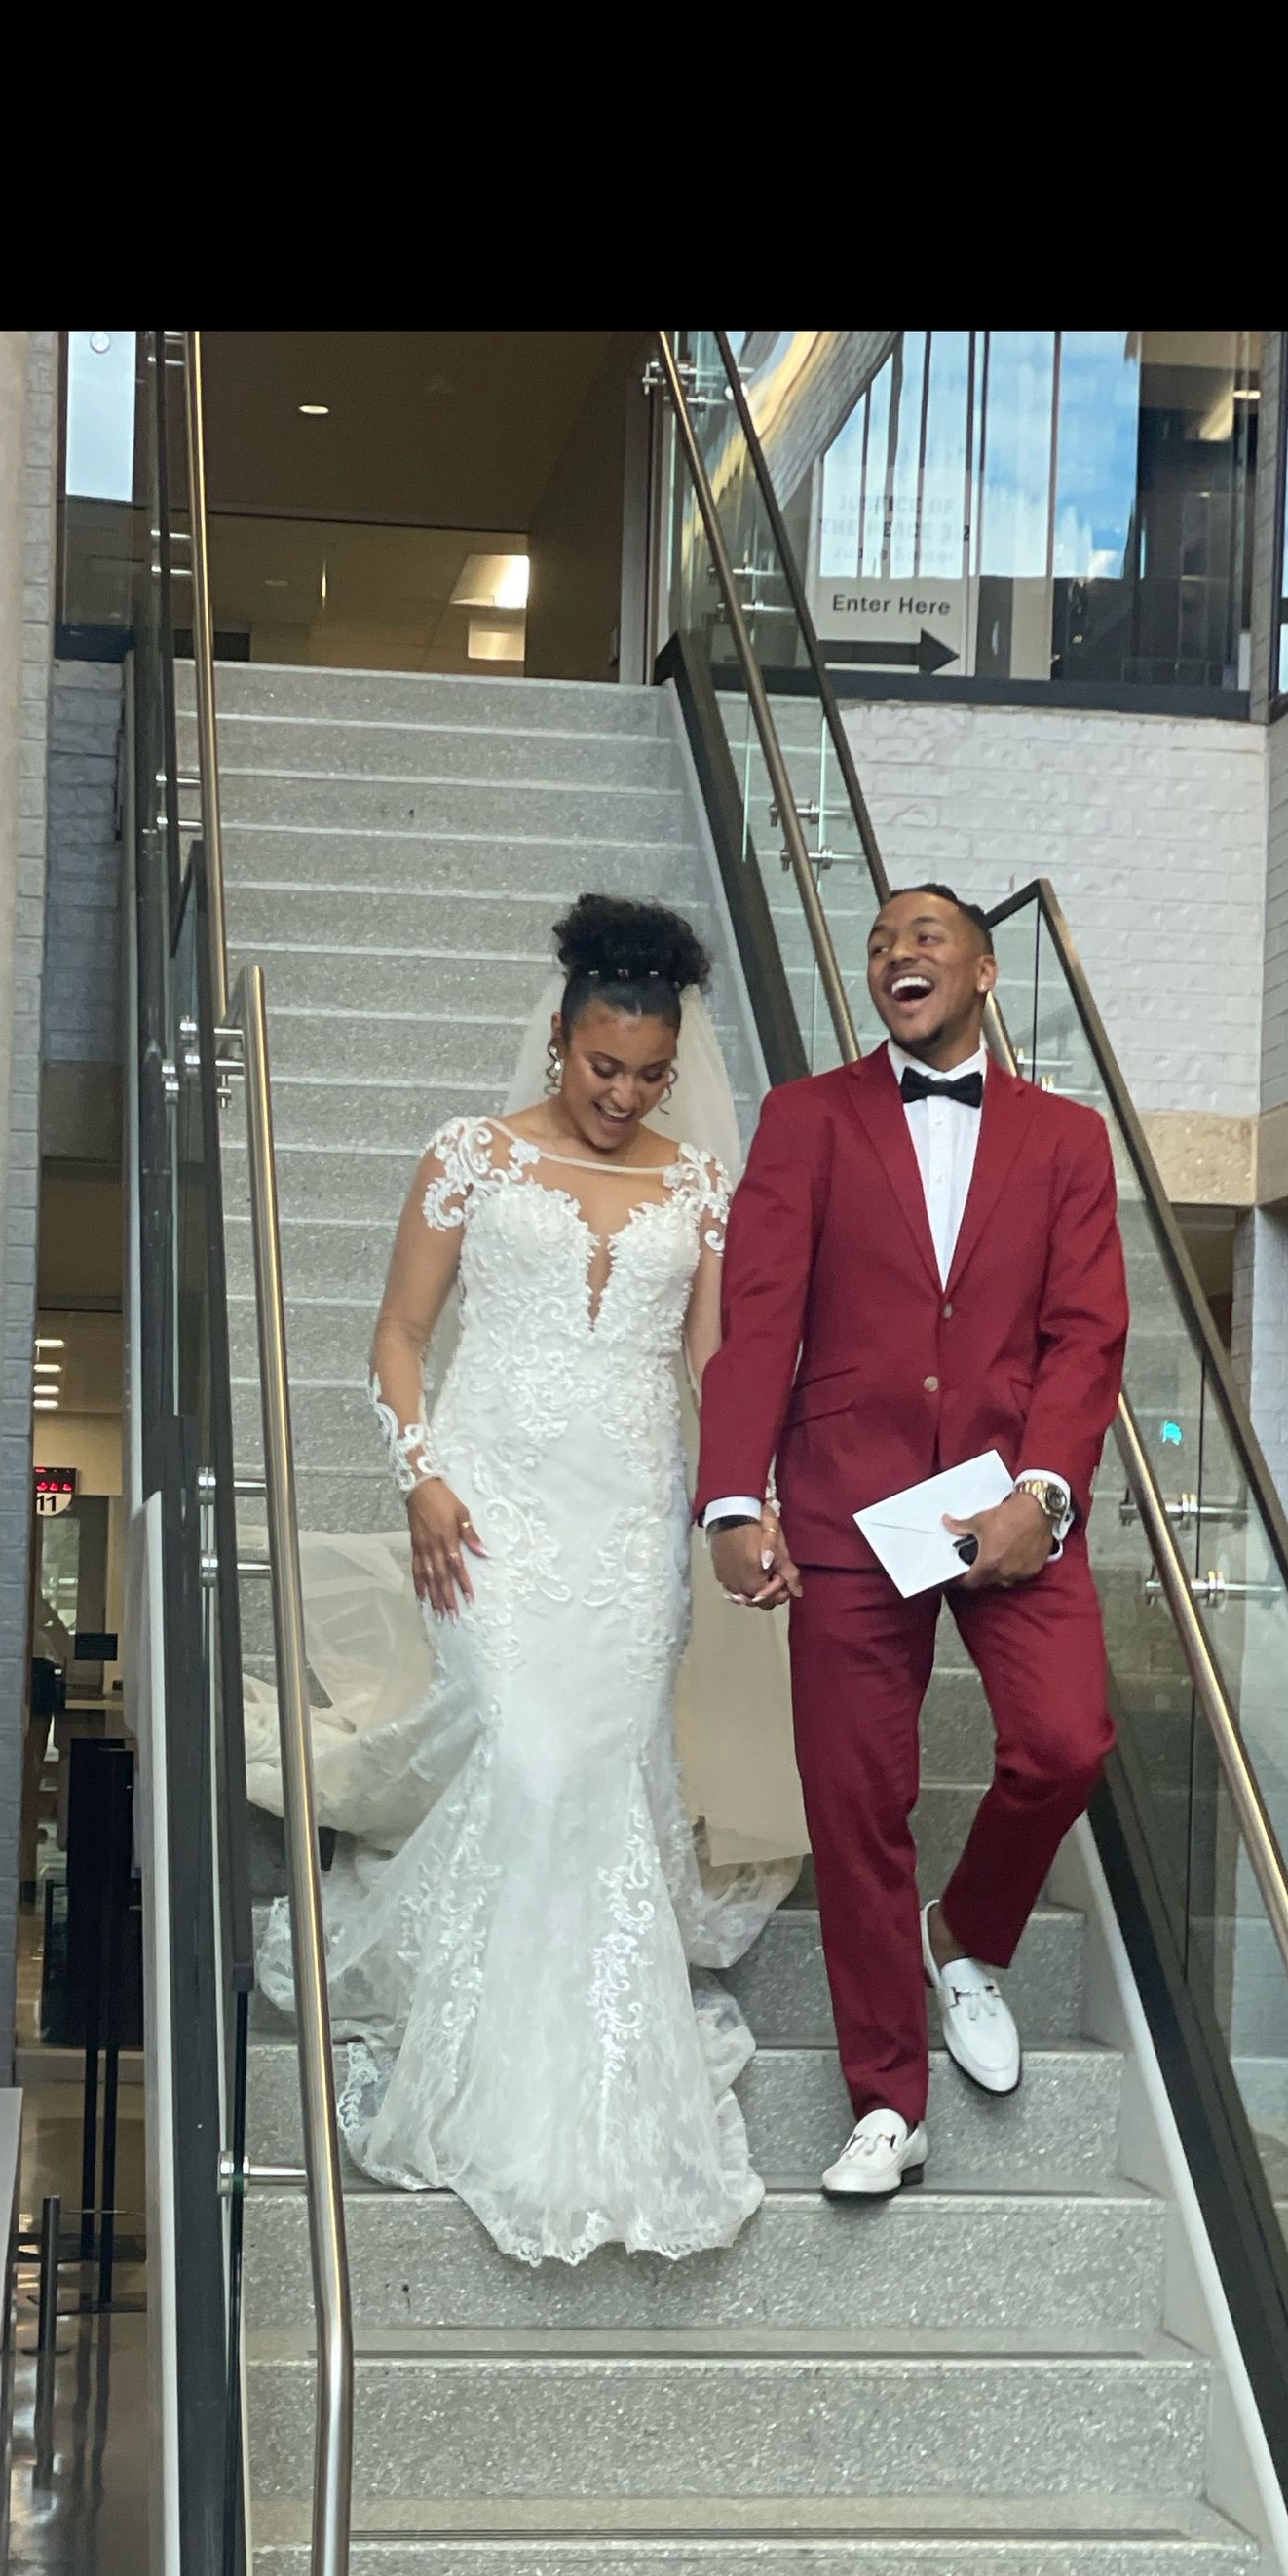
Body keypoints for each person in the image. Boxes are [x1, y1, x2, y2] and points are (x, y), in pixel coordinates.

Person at [256, 894, 793, 2267]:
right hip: (490, 1508)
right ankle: (511, 2077)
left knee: (593, 1773)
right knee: (537, 1754)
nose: (621, 1095)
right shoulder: (468, 1157)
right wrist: (422, 1472)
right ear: (558, 1037)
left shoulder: (693, 1185)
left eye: (648, 1074)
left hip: (626, 1521)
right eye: (600, 1065)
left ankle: (599, 2063)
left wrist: (745, 1498)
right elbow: (395, 1334)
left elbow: (714, 1364)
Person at [700, 884, 1130, 2199]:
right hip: (844, 1499)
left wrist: (1045, 1493)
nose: (898, 952)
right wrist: (733, 1494)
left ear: (988, 974)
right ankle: (889, 2100)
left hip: (1008, 1496)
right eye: (882, 940)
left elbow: (1086, 1332)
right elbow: (759, 1314)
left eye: (927, 936)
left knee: (1068, 1740)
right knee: (855, 1802)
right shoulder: (806, 1119)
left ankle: (974, 1932)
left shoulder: (1067, 1138)